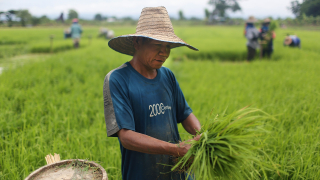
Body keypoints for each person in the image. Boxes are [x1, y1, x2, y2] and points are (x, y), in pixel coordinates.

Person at [103, 6, 201, 180]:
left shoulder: (167, 76)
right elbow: (126, 136)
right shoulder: (118, 79)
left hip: (179, 173)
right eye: (157, 45)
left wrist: (202, 137)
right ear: (137, 42)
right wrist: (176, 149)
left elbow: (185, 114)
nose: (164, 53)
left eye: (168, 46)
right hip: (142, 174)